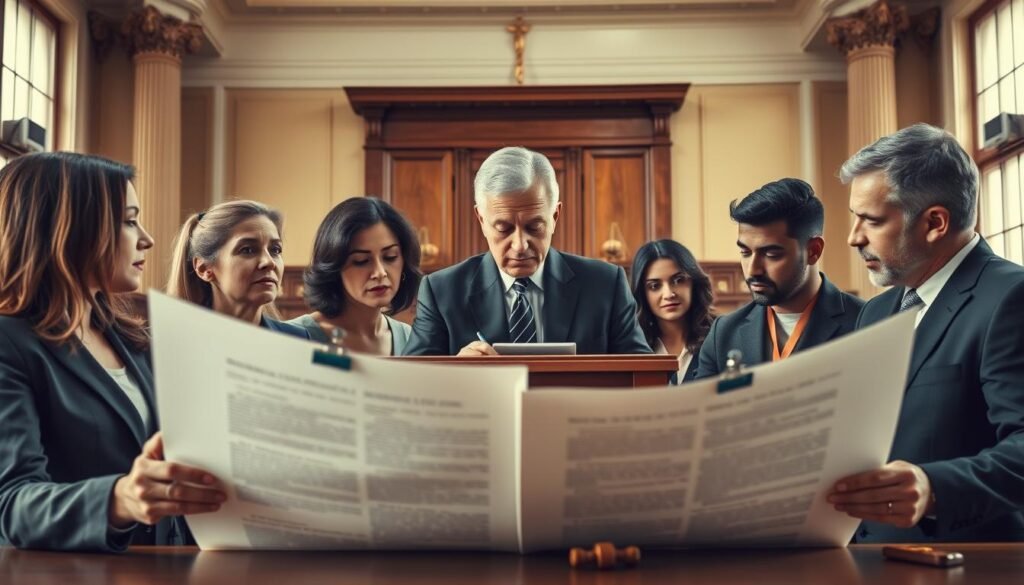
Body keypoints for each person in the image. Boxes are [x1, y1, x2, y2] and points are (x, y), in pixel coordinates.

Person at [0, 153, 226, 551]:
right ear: (69, 230)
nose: (147, 238)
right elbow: (12, 504)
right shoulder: (10, 344)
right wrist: (120, 498)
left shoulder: (134, 339)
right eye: (128, 220)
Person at [828, 123, 1024, 543]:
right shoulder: (876, 312)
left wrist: (934, 489)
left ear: (935, 222)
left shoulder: (1012, 298)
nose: (852, 237)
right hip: (863, 559)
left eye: (871, 220)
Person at [404, 146, 651, 356]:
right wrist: (454, 371)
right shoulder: (441, 291)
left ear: (555, 216)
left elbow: (644, 378)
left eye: (534, 227)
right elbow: (411, 388)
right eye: (503, 228)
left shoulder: (606, 284)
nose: (520, 245)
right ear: (481, 219)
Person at [696, 178, 863, 378]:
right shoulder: (723, 334)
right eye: (745, 252)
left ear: (813, 251)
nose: (753, 270)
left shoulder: (866, 322)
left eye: (771, 254)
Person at [287, 198, 421, 355]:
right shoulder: (293, 336)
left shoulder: (409, 338)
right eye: (361, 261)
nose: (380, 272)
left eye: (390, 257)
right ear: (334, 268)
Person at [167, 200, 309, 339]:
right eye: (247, 250)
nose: (269, 262)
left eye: (275, 250)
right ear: (204, 268)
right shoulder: (173, 341)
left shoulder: (298, 339)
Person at [631, 239, 715, 384]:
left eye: (678, 280)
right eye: (654, 286)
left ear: (693, 283)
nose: (669, 294)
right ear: (642, 294)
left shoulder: (720, 335)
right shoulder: (631, 345)